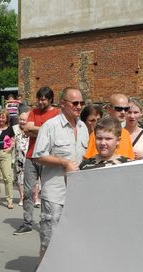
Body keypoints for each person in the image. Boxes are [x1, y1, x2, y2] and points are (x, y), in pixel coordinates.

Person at [30, 86, 88, 262]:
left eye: (81, 103)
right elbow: (38, 155)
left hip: (76, 192)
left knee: (72, 237)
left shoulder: (83, 127)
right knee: (50, 238)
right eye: (75, 103)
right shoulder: (51, 126)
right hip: (55, 192)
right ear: (63, 103)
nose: (79, 106)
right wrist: (64, 162)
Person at [13, 86, 60, 235]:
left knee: (47, 192)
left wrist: (36, 130)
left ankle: (47, 221)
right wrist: (46, 130)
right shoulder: (33, 111)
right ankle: (27, 222)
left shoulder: (57, 113)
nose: (40, 102)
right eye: (39, 99)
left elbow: (56, 133)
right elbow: (26, 129)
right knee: (28, 191)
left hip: (48, 158)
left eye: (43, 99)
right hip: (31, 156)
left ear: (51, 99)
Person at [83, 94, 135, 160]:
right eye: (119, 109)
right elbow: (91, 161)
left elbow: (130, 160)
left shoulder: (126, 133)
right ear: (108, 109)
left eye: (126, 109)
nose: (123, 112)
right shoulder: (98, 134)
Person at [0, 110, 15, 209]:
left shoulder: (9, 128)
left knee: (7, 177)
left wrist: (10, 148)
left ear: (6, 119)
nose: (1, 119)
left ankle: (9, 200)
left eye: (3, 117)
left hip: (5, 153)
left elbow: (13, 140)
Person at [13, 110, 29, 206]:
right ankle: (22, 197)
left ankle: (34, 198)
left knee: (33, 179)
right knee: (20, 179)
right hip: (18, 158)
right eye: (21, 119)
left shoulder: (31, 129)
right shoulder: (14, 129)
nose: (22, 121)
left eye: (24, 120)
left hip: (30, 158)